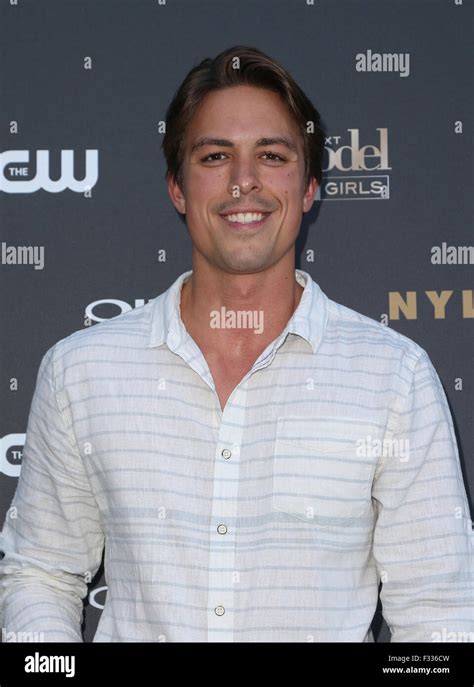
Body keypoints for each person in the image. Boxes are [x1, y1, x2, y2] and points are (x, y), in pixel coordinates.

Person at [0, 45, 472, 643]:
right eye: (215, 156)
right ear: (177, 188)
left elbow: (438, 611)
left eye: (272, 156)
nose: (243, 181)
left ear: (309, 187)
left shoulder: (394, 377)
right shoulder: (81, 372)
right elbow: (41, 574)